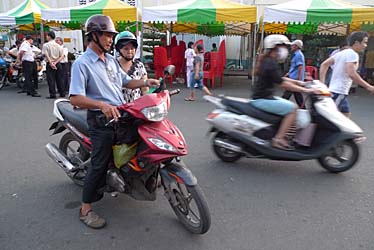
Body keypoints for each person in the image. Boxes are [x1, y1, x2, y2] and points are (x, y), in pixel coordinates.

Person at [69, 14, 159, 229]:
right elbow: (75, 97)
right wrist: (101, 105)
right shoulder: (82, 64)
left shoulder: (110, 60)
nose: (110, 40)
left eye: (111, 35)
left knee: (144, 139)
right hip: (101, 120)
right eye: (106, 35)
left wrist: (147, 82)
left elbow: (127, 82)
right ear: (93, 36)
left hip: (121, 114)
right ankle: (85, 209)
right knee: (99, 164)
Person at [251, 35, 318, 150]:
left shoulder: (269, 61)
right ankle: (278, 139)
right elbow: (283, 84)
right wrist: (305, 90)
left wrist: (300, 83)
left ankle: (282, 133)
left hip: (265, 97)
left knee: (290, 106)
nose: (285, 49)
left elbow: (281, 79)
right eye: (283, 46)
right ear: (274, 47)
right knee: (293, 109)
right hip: (262, 99)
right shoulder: (270, 63)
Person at [320, 31, 374, 118]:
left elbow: (324, 64)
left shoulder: (341, 53)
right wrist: (369, 86)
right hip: (339, 91)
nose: (365, 45)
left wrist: (322, 83)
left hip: (336, 91)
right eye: (364, 42)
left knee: (346, 116)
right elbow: (351, 73)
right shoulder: (353, 54)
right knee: (331, 119)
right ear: (356, 43)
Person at [114, 31, 148, 102]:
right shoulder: (112, 65)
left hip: (135, 108)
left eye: (132, 48)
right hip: (116, 108)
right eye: (126, 48)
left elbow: (145, 89)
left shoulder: (139, 66)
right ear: (118, 49)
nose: (129, 51)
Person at [282, 39, 305, 107]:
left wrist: (298, 79)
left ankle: (280, 106)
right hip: (293, 77)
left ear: (296, 46)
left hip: (294, 79)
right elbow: (295, 67)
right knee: (298, 96)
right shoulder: (297, 54)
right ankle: (304, 108)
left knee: (287, 94)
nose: (291, 47)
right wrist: (289, 73)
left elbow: (300, 67)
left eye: (292, 45)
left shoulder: (298, 55)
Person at [42, 31, 64, 99]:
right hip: (58, 64)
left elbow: (46, 54)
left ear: (49, 36)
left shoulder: (46, 45)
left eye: (47, 36)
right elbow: (62, 56)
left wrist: (51, 63)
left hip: (50, 64)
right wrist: (56, 62)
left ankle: (53, 94)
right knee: (59, 79)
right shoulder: (58, 45)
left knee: (51, 79)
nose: (46, 37)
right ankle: (62, 93)